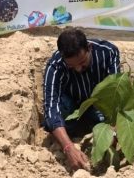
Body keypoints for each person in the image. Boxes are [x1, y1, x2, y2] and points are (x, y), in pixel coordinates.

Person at [42, 28, 120, 170]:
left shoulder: (108, 52)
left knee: (104, 121)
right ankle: (70, 133)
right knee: (61, 110)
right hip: (70, 109)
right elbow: (51, 109)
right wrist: (68, 148)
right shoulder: (55, 66)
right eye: (71, 66)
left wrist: (112, 132)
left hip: (96, 105)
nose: (78, 69)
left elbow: (116, 94)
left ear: (89, 48)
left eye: (83, 62)